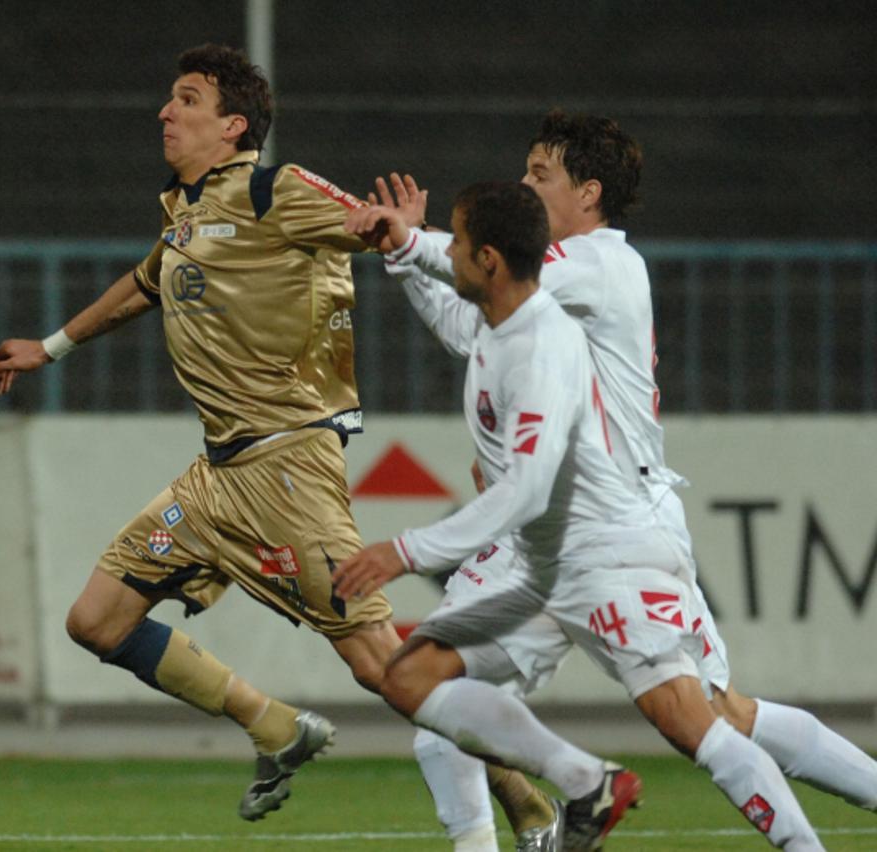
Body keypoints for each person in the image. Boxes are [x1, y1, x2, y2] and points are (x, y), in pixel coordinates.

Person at [0, 44, 560, 840]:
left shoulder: (273, 189)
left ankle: (533, 791)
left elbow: (360, 224)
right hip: (216, 477)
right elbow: (148, 283)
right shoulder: (187, 214)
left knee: (383, 666)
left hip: (287, 468)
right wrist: (50, 347)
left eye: (186, 100)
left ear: (234, 126)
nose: (165, 113)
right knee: (98, 620)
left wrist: (395, 231)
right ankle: (272, 725)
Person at [357, 110, 877, 837]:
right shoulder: (535, 299)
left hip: (618, 529)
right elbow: (468, 317)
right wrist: (404, 257)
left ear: (589, 194)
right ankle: (573, 791)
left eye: (541, 176)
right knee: (425, 691)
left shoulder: (602, 262)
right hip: (542, 541)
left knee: (710, 716)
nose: (523, 186)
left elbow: (487, 257)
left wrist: (412, 239)